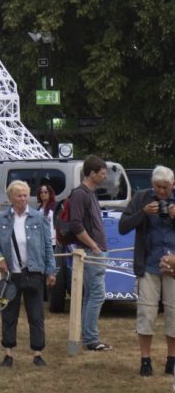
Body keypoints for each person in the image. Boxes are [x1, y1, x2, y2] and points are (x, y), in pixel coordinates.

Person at [0, 181, 56, 366]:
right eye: (19, 195)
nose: (23, 199)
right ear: (11, 197)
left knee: (36, 315)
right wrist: (0, 258)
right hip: (11, 275)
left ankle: (37, 353)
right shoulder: (0, 219)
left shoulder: (39, 217)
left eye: (26, 195)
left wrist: (51, 271)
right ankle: (8, 353)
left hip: (33, 272)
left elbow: (47, 247)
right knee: (9, 315)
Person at [119, 165, 175, 376]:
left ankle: (172, 359)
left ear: (173, 185)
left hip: (173, 266)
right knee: (146, 313)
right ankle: (145, 360)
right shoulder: (141, 198)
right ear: (153, 185)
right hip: (148, 265)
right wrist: (142, 213)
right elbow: (123, 226)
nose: (162, 192)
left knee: (174, 313)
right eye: (159, 187)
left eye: (166, 188)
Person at [66, 154, 110, 351]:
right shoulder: (80, 194)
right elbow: (76, 224)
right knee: (97, 294)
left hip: (96, 251)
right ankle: (91, 339)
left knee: (91, 295)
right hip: (91, 252)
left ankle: (87, 335)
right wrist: (93, 246)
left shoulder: (90, 193)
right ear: (92, 174)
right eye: (102, 173)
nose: (105, 177)